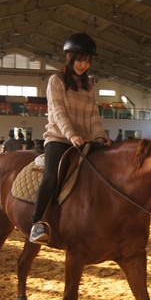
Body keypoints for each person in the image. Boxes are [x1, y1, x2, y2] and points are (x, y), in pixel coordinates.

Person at [29, 32, 110, 245]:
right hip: (59, 137)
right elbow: (58, 111)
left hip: (86, 139)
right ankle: (37, 222)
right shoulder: (56, 81)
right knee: (52, 175)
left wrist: (101, 137)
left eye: (87, 61)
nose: (83, 65)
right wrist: (71, 134)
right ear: (69, 57)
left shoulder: (89, 85)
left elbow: (93, 116)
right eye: (79, 60)